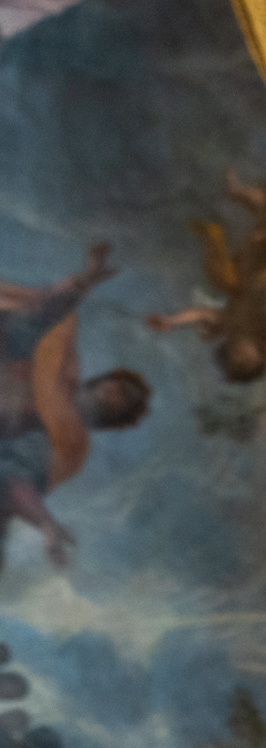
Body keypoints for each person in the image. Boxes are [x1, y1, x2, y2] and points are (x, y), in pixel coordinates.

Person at [0, 242, 151, 568]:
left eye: (119, 403)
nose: (112, 395)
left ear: (110, 420)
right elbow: (37, 316)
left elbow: (13, 477)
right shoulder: (53, 364)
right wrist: (83, 280)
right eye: (117, 388)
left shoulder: (64, 441)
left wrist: (45, 524)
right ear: (99, 381)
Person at [148, 173, 266, 409]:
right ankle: (253, 194)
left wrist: (171, 321)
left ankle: (255, 195)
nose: (239, 357)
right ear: (260, 360)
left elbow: (202, 314)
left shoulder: (230, 324)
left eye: (234, 361)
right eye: (245, 363)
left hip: (246, 273)